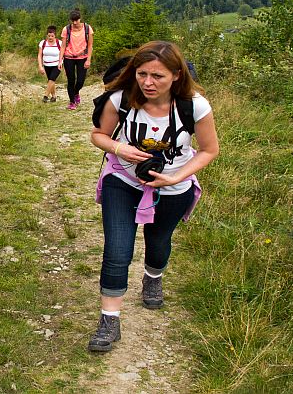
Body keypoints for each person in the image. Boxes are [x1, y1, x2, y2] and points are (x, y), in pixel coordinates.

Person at [88, 40, 219, 352]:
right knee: (117, 249)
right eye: (141, 74)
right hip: (123, 182)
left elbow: (210, 150)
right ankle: (109, 320)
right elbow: (98, 135)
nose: (147, 82)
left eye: (157, 76)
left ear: (176, 75)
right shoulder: (121, 99)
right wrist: (120, 148)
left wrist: (174, 176)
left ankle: (152, 277)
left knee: (158, 243)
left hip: (173, 189)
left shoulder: (194, 106)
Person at [59, 8, 93, 110]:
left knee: (80, 81)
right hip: (69, 57)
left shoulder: (87, 28)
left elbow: (90, 45)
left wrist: (88, 59)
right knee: (71, 80)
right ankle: (72, 102)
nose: (74, 22)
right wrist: (60, 60)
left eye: (76, 20)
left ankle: (76, 92)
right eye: (72, 20)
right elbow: (63, 46)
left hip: (82, 57)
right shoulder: (66, 29)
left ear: (80, 18)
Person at [37, 25, 62, 102]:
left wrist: (60, 62)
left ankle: (45, 96)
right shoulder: (43, 43)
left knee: (51, 79)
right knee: (51, 81)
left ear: (55, 36)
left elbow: (63, 54)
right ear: (47, 35)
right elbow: (39, 55)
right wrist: (40, 66)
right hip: (47, 65)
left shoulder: (59, 43)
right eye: (49, 36)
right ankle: (54, 97)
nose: (50, 37)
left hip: (57, 65)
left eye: (52, 36)